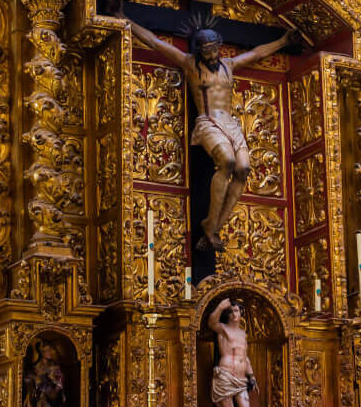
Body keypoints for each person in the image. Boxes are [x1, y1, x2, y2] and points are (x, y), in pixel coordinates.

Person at [124, 18, 294, 248]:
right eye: (207, 51)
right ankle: (211, 224)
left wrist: (283, 41)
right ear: (199, 50)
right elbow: (154, 42)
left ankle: (213, 226)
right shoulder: (190, 64)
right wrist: (125, 20)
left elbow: (256, 54)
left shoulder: (229, 65)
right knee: (228, 161)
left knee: (243, 169)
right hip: (208, 122)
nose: (212, 55)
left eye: (215, 50)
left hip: (231, 125)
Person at [206, 297, 257, 407]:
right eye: (230, 311)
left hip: (241, 378)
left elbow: (245, 357)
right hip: (226, 375)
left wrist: (251, 375)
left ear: (241, 312)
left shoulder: (243, 334)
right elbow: (211, 323)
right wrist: (220, 306)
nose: (233, 314)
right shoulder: (223, 329)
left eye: (236, 310)